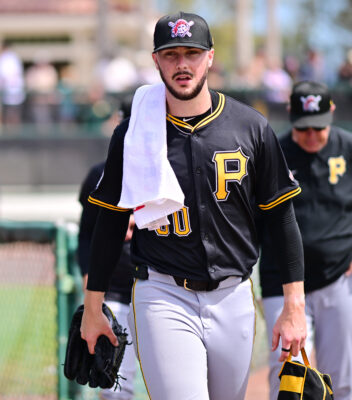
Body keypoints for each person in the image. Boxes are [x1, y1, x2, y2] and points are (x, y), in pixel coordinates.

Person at [80, 11, 307, 400]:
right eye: (170, 54)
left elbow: (281, 218)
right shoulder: (134, 132)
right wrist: (92, 305)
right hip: (164, 293)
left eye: (192, 52)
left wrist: (294, 305)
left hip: (234, 293)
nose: (182, 64)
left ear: (210, 57)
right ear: (155, 60)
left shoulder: (250, 126)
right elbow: (110, 221)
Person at [258, 80, 352, 400]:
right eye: (303, 128)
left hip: (336, 278)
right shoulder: (275, 153)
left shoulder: (346, 148)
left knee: (341, 379)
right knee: (288, 376)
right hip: (281, 283)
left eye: (318, 127)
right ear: (290, 114)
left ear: (332, 112)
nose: (311, 135)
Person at [77, 98, 137, 400]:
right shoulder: (98, 174)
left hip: (159, 288)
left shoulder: (171, 171)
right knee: (115, 383)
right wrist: (89, 277)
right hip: (112, 289)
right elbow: (86, 233)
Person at [0, 40, 25, 127]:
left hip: (9, 93)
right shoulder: (13, 57)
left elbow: (4, 75)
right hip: (10, 93)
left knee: (10, 117)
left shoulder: (6, 58)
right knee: (11, 116)